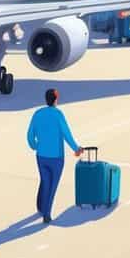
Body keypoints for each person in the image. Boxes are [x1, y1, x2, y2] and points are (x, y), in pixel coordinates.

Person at [26, 88, 82, 223]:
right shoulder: (58, 114)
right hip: (56, 158)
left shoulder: (37, 113)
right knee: (52, 186)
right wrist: (76, 148)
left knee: (45, 180)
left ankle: (40, 206)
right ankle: (47, 213)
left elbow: (29, 135)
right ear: (56, 100)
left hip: (41, 156)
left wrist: (36, 146)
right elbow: (66, 134)